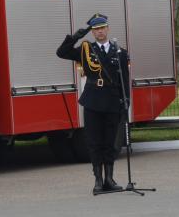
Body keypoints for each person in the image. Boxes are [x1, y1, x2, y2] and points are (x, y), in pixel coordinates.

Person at [56, 13, 130, 193]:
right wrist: (75, 37)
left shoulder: (119, 52)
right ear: (93, 32)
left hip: (112, 100)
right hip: (93, 101)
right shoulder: (85, 50)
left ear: (107, 29)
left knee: (110, 142)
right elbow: (61, 53)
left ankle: (109, 179)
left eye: (102, 28)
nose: (100, 32)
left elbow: (124, 80)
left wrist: (125, 101)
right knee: (94, 142)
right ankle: (98, 181)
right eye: (96, 30)